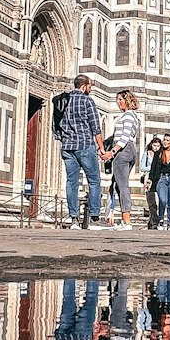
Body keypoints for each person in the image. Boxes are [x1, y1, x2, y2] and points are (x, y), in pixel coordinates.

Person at [59, 74, 106, 228]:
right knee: (93, 180)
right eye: (90, 86)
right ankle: (94, 218)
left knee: (71, 182)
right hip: (85, 145)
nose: (90, 89)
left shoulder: (62, 100)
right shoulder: (87, 101)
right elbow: (95, 127)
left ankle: (74, 219)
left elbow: (55, 125)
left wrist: (64, 138)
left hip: (67, 147)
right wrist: (101, 147)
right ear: (84, 86)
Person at [104, 91, 140, 230]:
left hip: (123, 150)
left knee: (122, 185)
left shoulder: (129, 116)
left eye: (120, 99)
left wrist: (112, 152)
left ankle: (127, 221)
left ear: (127, 100)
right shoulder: (131, 116)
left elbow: (124, 138)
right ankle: (125, 219)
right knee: (120, 185)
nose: (118, 102)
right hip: (128, 151)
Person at [140, 135, 162, 229]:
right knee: (151, 200)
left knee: (158, 199)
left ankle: (154, 220)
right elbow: (142, 167)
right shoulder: (147, 153)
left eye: (158, 146)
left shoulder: (161, 154)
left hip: (158, 177)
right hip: (148, 177)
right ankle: (152, 219)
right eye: (154, 145)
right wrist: (153, 167)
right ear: (151, 145)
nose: (156, 147)